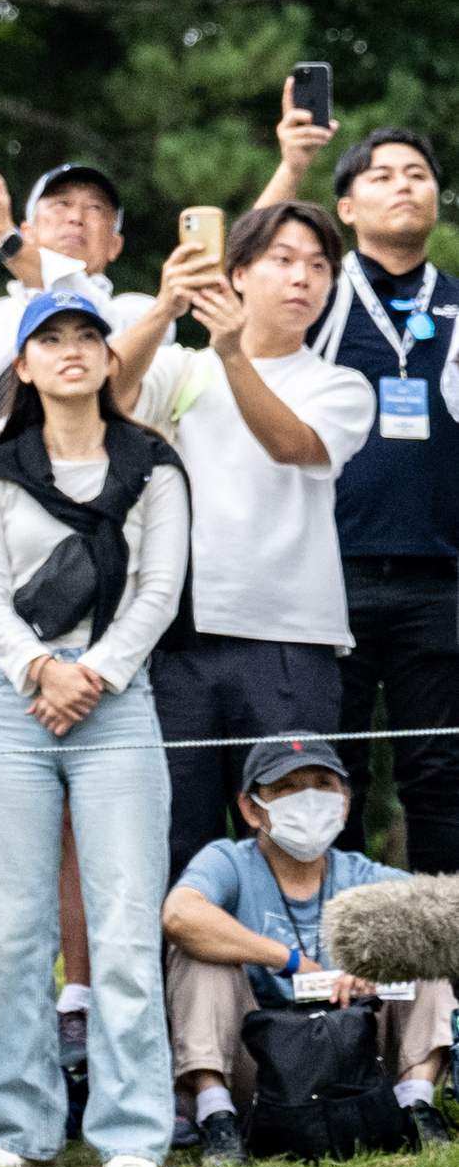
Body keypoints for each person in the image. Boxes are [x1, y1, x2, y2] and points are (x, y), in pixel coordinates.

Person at [0, 289, 190, 1167]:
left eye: (86, 337)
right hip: (16, 704)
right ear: (21, 364)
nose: (69, 351)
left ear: (108, 358)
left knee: (124, 918)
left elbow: (159, 591)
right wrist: (39, 670)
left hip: (117, 701)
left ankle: (132, 1129)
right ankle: (16, 1124)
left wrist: (92, 672)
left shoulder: (154, 466)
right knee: (9, 926)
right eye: (48, 339)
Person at [113, 200, 376, 879]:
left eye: (319, 267)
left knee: (297, 835)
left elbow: (293, 443)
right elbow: (107, 396)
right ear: (236, 275)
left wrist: (231, 353)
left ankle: (304, 985)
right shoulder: (181, 367)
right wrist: (164, 308)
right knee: (179, 839)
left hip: (291, 638)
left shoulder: (338, 383)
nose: (302, 279)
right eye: (282, 261)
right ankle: (183, 988)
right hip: (180, 639)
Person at [262, 118, 459, 870]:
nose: (403, 184)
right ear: (343, 206)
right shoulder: (318, 297)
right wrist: (291, 163)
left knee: (438, 777)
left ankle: (441, 975)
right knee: (322, 779)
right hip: (323, 574)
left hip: (436, 577)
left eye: (417, 172)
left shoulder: (452, 300)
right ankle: (333, 969)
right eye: (380, 174)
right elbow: (234, 276)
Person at [163, 734, 455, 1163]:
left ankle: (415, 1105)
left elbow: (448, 915)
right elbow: (179, 915)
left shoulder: (362, 873)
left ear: (345, 802)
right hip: (263, 1065)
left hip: (357, 1059)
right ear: (250, 808)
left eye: (322, 784)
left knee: (423, 940)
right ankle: (217, 1117)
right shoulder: (228, 860)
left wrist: (377, 964)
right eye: (286, 787)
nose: (308, 799)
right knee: (197, 953)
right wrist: (289, 960)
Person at [0, 157, 157, 422]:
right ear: (28, 231)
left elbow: (83, 307)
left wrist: (4, 238)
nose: (76, 218)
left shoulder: (141, 314)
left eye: (95, 208)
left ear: (115, 245)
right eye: (62, 204)